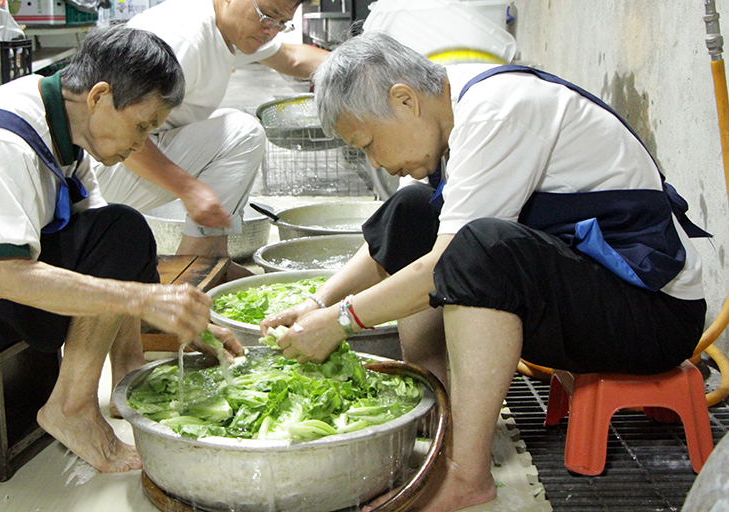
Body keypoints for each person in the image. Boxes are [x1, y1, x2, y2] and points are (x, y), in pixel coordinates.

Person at [261, 32, 707, 512]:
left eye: (369, 143)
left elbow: (444, 265)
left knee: (478, 249)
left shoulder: (498, 110)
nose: (376, 161)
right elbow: (418, 240)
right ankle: (441, 409)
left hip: (653, 318)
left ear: (405, 100)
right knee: (414, 208)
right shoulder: (459, 111)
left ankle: (466, 476)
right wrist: (317, 303)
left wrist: (341, 322)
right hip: (593, 297)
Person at [0, 24, 242, 473]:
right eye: (142, 125)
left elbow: (104, 239)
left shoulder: (62, 119)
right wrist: (147, 299)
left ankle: (127, 375)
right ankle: (71, 409)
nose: (141, 143)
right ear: (99, 96)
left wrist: (197, 324)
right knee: (121, 237)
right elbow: (8, 276)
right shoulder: (7, 140)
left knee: (122, 230)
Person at [92, 0, 329, 279]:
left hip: (138, 147)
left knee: (235, 132)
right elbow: (114, 130)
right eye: (267, 17)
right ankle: (194, 270)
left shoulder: (228, 24)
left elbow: (291, 57)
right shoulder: (183, 40)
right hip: (108, 163)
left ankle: (212, 259)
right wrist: (189, 189)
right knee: (241, 133)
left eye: (281, 23)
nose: (270, 31)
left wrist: (361, 68)